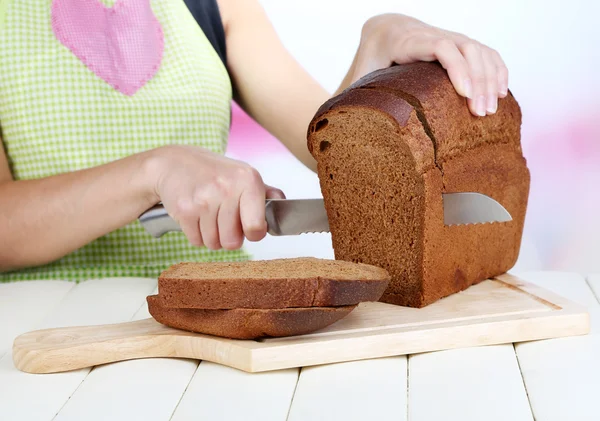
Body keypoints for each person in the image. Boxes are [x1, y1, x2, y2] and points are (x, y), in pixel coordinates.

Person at [0, 0, 509, 281]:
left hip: (214, 319)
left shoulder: (213, 4)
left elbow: (333, 156)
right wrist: (154, 171)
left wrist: (375, 50)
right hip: (47, 329)